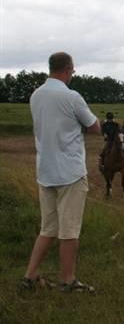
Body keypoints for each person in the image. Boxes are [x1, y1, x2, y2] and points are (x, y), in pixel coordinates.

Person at [19, 52, 100, 294]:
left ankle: (30, 275)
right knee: (69, 230)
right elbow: (94, 126)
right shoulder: (71, 96)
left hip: (45, 170)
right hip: (70, 173)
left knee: (48, 228)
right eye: (72, 71)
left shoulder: (36, 95)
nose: (72, 75)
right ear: (67, 70)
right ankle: (67, 280)